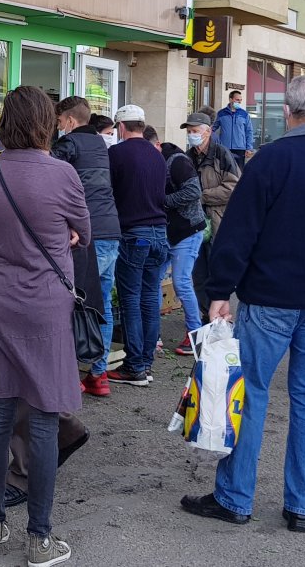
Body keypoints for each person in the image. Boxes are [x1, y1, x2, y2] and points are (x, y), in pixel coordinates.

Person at [181, 76, 305, 533]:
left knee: (250, 393)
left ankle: (235, 498)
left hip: (269, 299)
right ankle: (301, 507)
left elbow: (238, 232)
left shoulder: (269, 161)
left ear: (288, 114)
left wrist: (219, 291)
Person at [0, 86, 90, 566]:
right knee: (43, 416)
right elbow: (84, 231)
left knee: (0, 412)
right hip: (45, 306)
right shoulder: (62, 173)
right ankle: (39, 538)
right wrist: (65, 233)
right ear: (48, 122)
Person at [53, 97, 122, 397]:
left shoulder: (70, 146)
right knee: (100, 304)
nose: (58, 128)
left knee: (74, 304)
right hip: (111, 230)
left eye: (58, 122)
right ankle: (99, 373)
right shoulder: (100, 145)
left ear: (69, 120)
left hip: (85, 235)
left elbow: (49, 176)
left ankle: (70, 374)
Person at [107, 104, 170, 387]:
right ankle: (145, 361)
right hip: (160, 234)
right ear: (142, 126)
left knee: (131, 300)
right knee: (149, 297)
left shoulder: (116, 153)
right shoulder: (158, 156)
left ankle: (134, 367)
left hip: (134, 234)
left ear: (121, 127)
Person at [182, 112, 241, 316]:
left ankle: (221, 317)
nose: (192, 135)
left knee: (216, 271)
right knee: (198, 273)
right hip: (194, 223)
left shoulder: (221, 154)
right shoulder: (187, 157)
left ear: (208, 132)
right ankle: (206, 316)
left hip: (217, 221)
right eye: (189, 131)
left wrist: (201, 196)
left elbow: (234, 187)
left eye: (195, 131)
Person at [160, 142, 207, 355]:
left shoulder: (177, 161)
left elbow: (193, 191)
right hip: (169, 232)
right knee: (153, 283)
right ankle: (154, 337)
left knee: (181, 282)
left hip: (187, 230)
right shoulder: (165, 160)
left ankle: (195, 336)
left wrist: (163, 201)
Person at [212, 91, 255, 168]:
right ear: (231, 99)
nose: (239, 102)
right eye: (237, 100)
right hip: (225, 148)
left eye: (240, 100)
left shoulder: (244, 114)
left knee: (239, 171)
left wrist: (249, 148)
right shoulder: (221, 113)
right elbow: (213, 129)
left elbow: (249, 131)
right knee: (225, 171)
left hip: (240, 149)